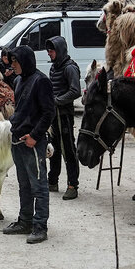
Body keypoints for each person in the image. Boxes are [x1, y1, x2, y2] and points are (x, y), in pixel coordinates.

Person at [1, 45, 55, 244]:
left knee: (38, 185)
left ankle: (40, 226)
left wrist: (35, 135)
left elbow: (49, 112)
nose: (12, 65)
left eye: (15, 61)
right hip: (18, 140)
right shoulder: (18, 80)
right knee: (24, 184)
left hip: (32, 143)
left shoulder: (41, 82)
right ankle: (25, 221)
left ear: (24, 61)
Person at [46, 36, 82, 199]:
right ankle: (52, 181)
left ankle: (72, 185)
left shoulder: (70, 68)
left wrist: (57, 101)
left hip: (65, 115)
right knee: (53, 149)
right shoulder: (55, 67)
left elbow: (76, 91)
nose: (49, 53)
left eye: (52, 50)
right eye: (48, 50)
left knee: (68, 150)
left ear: (59, 50)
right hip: (54, 115)